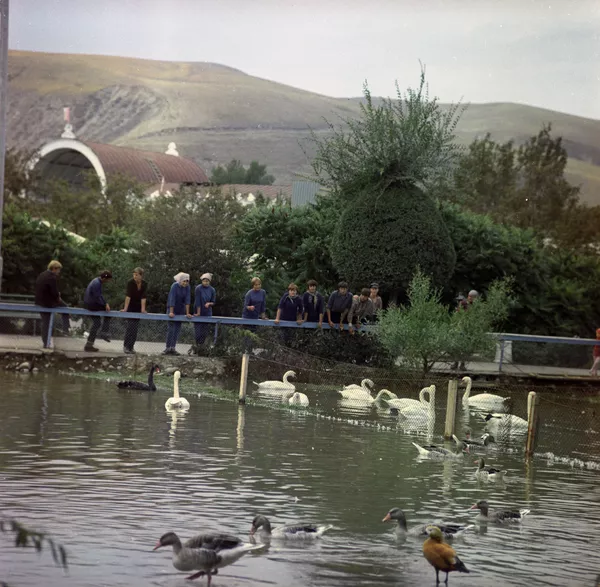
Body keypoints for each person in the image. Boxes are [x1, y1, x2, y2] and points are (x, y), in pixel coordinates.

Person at [34, 260, 71, 348]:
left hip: (39, 302)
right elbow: (54, 292)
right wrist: (58, 296)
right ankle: (65, 329)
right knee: (65, 308)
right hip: (48, 303)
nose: (59, 272)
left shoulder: (42, 274)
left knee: (45, 323)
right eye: (58, 269)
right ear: (54, 268)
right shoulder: (51, 277)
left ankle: (46, 343)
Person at [163, 272, 192, 356]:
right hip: (172, 309)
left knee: (177, 329)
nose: (185, 283)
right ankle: (167, 348)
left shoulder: (187, 287)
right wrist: (171, 312)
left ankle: (173, 348)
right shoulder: (175, 286)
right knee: (171, 329)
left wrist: (187, 313)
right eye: (184, 281)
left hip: (180, 310)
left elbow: (187, 299)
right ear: (180, 280)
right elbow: (172, 298)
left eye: (187, 281)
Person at [120, 267, 147, 354]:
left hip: (138, 307)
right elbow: (128, 296)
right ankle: (126, 346)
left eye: (136, 275)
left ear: (141, 276)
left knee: (135, 328)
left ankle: (131, 347)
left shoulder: (144, 284)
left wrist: (143, 309)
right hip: (130, 306)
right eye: (134, 275)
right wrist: (125, 309)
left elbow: (143, 297)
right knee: (130, 327)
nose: (135, 276)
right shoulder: (130, 282)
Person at [83, 270, 113, 352]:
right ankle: (104, 333)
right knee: (108, 313)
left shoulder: (97, 281)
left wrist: (105, 303)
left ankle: (89, 345)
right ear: (104, 278)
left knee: (97, 323)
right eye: (108, 280)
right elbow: (97, 297)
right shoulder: (97, 283)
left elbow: (100, 296)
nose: (108, 282)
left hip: (90, 303)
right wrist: (105, 305)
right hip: (91, 305)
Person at [452, 289, 480, 369]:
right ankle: (456, 363)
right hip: (461, 326)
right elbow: (458, 313)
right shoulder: (463, 303)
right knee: (457, 345)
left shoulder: (475, 306)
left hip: (469, 328)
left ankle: (462, 364)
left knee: (465, 347)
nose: (471, 298)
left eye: (473, 297)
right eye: (470, 296)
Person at [193, 272, 216, 354]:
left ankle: (202, 348)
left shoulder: (212, 290)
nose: (206, 282)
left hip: (207, 312)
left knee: (205, 332)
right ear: (202, 281)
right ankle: (197, 347)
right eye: (204, 281)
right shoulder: (198, 288)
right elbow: (198, 301)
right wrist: (198, 312)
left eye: (207, 281)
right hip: (198, 311)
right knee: (198, 332)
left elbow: (213, 302)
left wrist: (209, 303)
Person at [242, 277, 267, 351]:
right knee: (247, 334)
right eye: (256, 285)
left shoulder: (263, 292)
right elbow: (245, 305)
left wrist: (263, 315)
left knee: (253, 334)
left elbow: (263, 304)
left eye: (259, 284)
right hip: (247, 316)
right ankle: (245, 351)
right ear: (253, 285)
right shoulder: (249, 293)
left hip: (255, 316)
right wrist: (250, 307)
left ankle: (250, 350)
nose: (258, 286)